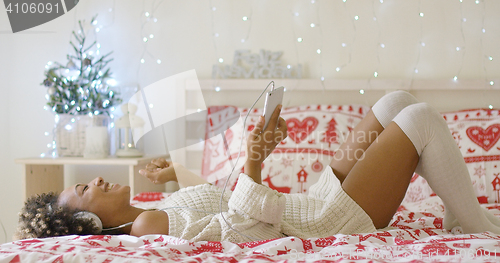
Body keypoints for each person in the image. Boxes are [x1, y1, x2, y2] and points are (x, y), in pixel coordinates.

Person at [15, 91, 500, 242]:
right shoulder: (144, 224)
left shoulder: (151, 211)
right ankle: (476, 226)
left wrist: (175, 178)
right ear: (85, 221)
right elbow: (244, 228)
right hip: (326, 222)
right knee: (417, 120)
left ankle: (459, 215)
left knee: (395, 101)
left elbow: (214, 204)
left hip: (310, 201)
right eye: (83, 187)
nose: (96, 179)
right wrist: (253, 157)